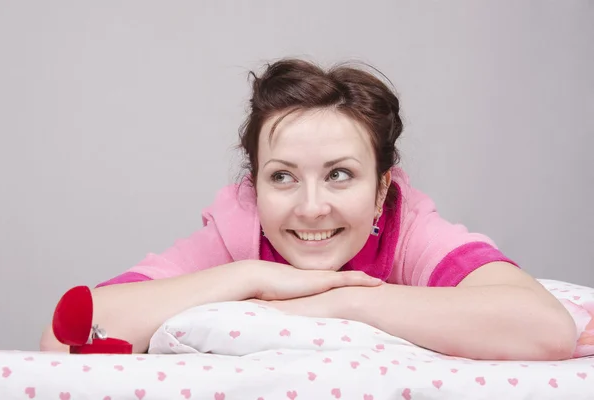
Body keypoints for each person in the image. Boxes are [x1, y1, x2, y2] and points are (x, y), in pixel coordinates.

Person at [40, 58, 577, 360]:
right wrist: (248, 275)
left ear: (381, 188)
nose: (312, 207)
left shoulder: (409, 229)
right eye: (283, 178)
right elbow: (68, 336)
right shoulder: (238, 232)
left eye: (340, 174)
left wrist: (341, 300)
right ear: (255, 188)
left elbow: (545, 330)